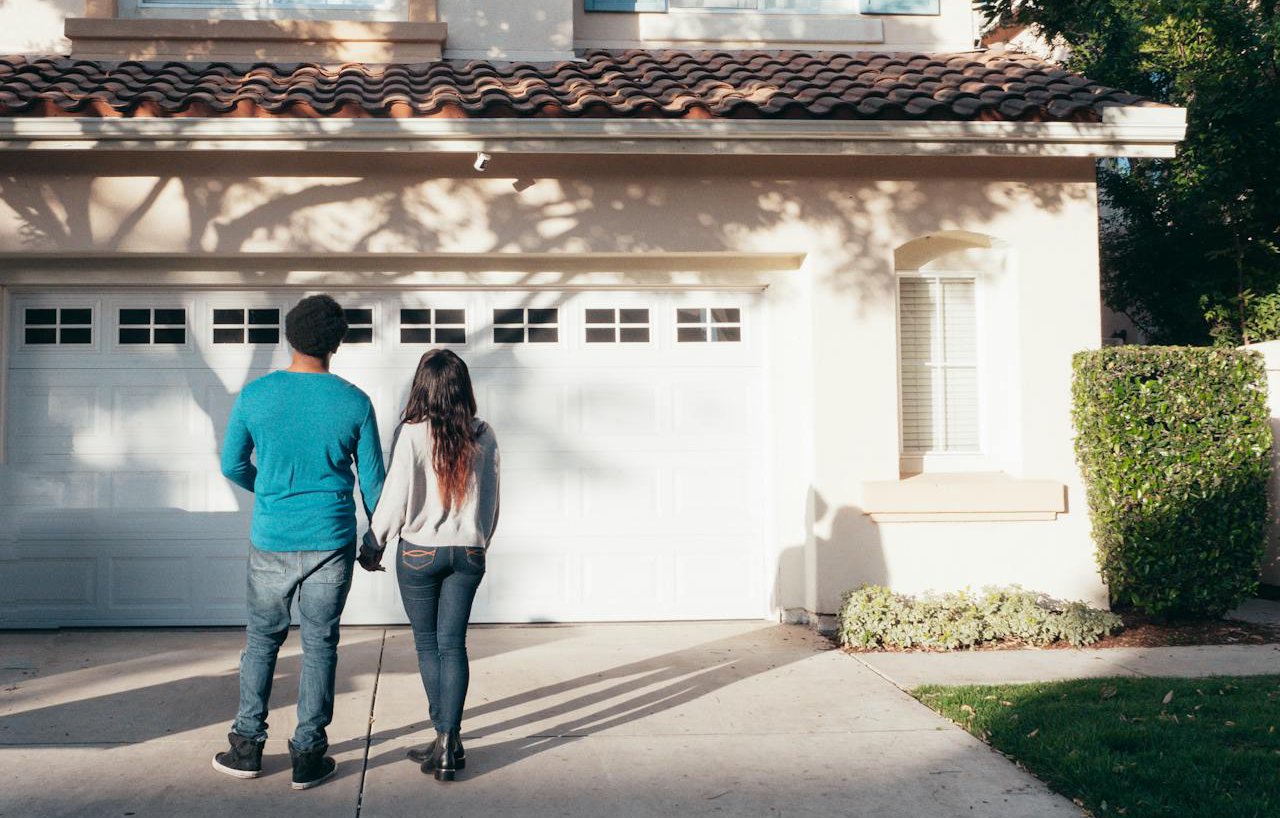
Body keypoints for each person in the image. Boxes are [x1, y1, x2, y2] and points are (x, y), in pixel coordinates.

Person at [213, 294, 385, 790]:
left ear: (289, 337)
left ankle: (246, 747)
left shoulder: (256, 396)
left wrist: (268, 490)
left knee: (261, 641)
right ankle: (309, 755)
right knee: (320, 644)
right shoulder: (354, 401)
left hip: (272, 538)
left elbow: (231, 465)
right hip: (331, 540)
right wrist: (376, 540)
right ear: (337, 343)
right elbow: (375, 485)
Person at [361, 349, 500, 782]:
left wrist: (373, 542)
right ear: (463, 388)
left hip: (420, 552)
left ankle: (443, 738)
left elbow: (395, 497)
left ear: (422, 387)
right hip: (468, 552)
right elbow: (491, 500)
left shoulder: (412, 433)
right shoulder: (484, 434)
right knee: (453, 645)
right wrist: (479, 541)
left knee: (428, 645)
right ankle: (448, 742)